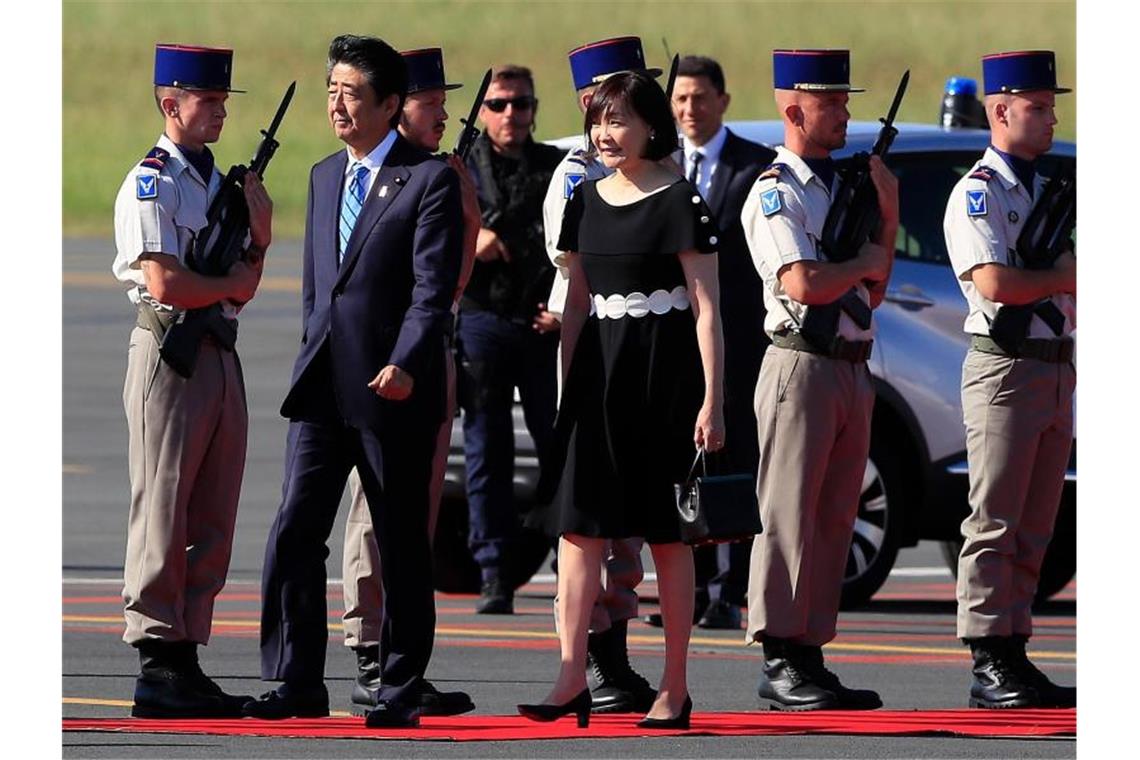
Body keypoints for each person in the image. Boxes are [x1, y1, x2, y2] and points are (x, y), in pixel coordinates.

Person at [244, 34, 467, 728]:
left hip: (391, 388)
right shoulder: (320, 175)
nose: (337, 104)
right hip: (322, 388)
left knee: (399, 541)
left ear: (390, 104)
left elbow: (432, 293)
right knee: (294, 531)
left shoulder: (428, 179)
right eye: (331, 90)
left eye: (352, 93)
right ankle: (295, 678)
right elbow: (320, 289)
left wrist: (404, 361)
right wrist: (313, 350)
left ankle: (399, 689)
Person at [521, 70, 725, 730]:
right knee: (579, 531)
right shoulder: (584, 197)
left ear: (650, 127)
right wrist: (566, 387)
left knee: (667, 538)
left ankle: (675, 686)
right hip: (596, 379)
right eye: (599, 122)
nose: (606, 134)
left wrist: (712, 401)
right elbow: (576, 301)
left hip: (663, 377)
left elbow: (705, 311)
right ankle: (570, 676)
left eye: (620, 121)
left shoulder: (681, 201)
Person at [112, 43, 272, 720]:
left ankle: (188, 652)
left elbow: (246, 285)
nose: (217, 112)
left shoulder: (215, 184)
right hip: (168, 349)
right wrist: (231, 280)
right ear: (168, 103)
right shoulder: (153, 181)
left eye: (220, 102)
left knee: (212, 509)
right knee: (164, 505)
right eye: (205, 101)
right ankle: (156, 659)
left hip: (216, 349)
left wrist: (258, 234)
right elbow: (166, 280)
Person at [740, 49, 896, 711]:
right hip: (800, 361)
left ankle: (811, 649)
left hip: (850, 365)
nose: (845, 112)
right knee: (787, 514)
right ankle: (778, 652)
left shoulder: (842, 188)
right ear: (794, 107)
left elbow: (876, 288)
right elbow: (802, 281)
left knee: (835, 516)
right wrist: (861, 258)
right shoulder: (776, 190)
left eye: (844, 100)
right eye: (832, 102)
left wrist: (885, 216)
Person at [338, 46, 480, 717]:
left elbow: (455, 278)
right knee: (377, 513)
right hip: (385, 359)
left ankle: (402, 657)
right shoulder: (389, 176)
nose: (443, 115)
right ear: (399, 106)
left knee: (414, 511)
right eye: (432, 102)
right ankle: (370, 646)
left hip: (432, 355)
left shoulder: (438, 176)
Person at [942, 50, 1076, 710]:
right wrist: (1062, 276)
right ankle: (989, 655)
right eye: (1039, 107)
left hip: (1052, 366)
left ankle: (1016, 646)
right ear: (1000, 111)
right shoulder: (979, 192)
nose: (1052, 119)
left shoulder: (1038, 190)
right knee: (994, 519)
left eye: (1053, 107)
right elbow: (994, 282)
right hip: (1005, 366)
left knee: (1035, 523)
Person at [541, 35, 663, 714]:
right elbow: (578, 273)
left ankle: (614, 651)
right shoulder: (575, 175)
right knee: (588, 517)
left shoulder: (656, 167)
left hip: (640, 351)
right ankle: (589, 655)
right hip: (590, 346)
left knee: (628, 523)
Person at [667, 54, 776, 631]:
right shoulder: (661, 164)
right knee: (688, 461)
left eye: (700, 98)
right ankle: (693, 581)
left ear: (723, 101)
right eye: (680, 99)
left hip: (740, 334)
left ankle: (732, 588)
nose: (689, 109)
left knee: (740, 456)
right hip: (678, 337)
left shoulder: (755, 166)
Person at [458, 64, 564, 614]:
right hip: (482, 320)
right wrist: (473, 240)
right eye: (498, 105)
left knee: (558, 447)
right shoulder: (462, 170)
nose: (510, 115)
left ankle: (563, 555)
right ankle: (495, 571)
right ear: (482, 112)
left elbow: (579, 244)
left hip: (542, 323)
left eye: (520, 104)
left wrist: (564, 310)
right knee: (486, 449)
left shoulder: (554, 167)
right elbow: (430, 238)